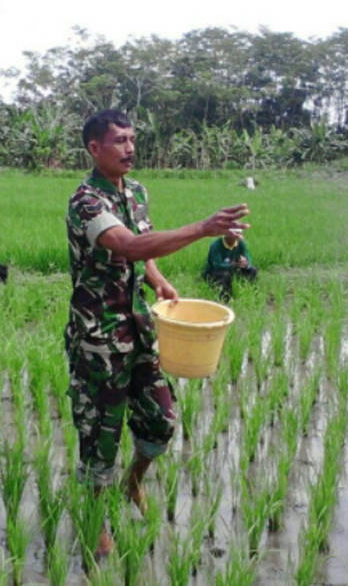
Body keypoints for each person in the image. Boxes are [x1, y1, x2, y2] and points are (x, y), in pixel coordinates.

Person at [64, 109, 250, 557]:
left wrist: (157, 279)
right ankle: (96, 521)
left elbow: (141, 251)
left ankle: (132, 484)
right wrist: (203, 228)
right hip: (99, 337)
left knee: (161, 422)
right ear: (94, 148)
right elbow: (125, 244)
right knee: (100, 433)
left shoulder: (138, 192)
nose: (130, 148)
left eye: (132, 139)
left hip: (141, 328)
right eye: (119, 141)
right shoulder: (87, 201)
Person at [202, 230, 258, 300]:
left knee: (252, 270)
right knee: (225, 275)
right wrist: (233, 265)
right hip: (215, 271)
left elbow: (247, 255)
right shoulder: (216, 245)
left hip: (233, 268)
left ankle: (250, 292)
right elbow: (217, 265)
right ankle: (226, 297)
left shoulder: (240, 244)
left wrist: (246, 262)